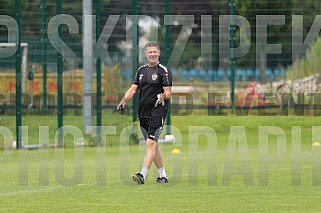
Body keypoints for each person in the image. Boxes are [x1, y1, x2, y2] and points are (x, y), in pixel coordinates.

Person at [117, 41, 172, 184]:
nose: (153, 54)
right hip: (143, 113)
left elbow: (168, 93)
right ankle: (162, 176)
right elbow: (133, 89)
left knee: (150, 144)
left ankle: (142, 175)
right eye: (150, 52)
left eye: (155, 51)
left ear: (159, 53)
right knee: (153, 145)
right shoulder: (141, 71)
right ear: (145, 54)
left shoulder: (163, 71)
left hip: (157, 112)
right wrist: (124, 100)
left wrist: (162, 96)